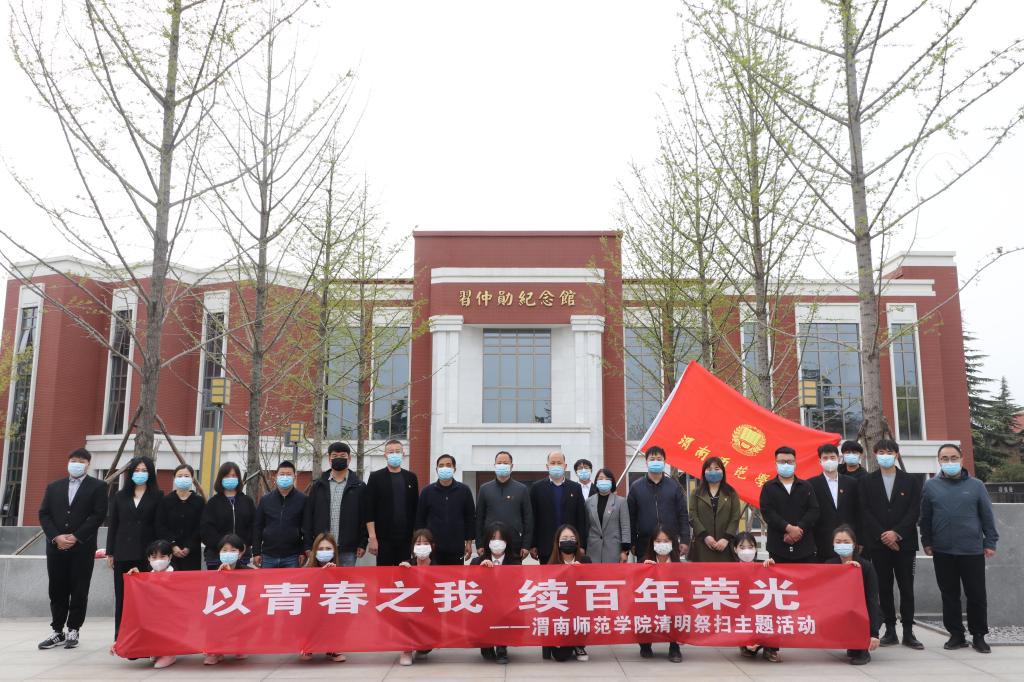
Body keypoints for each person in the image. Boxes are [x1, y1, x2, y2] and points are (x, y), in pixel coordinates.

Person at [921, 443, 999, 654]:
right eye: (945, 458)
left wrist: (990, 542)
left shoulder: (976, 486)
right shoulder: (930, 486)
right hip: (942, 550)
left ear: (962, 459)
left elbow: (987, 515)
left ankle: (979, 635)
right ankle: (956, 635)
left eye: (953, 458)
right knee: (949, 595)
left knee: (976, 595)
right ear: (939, 461)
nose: (949, 462)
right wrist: (926, 541)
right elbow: (925, 517)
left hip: (971, 550)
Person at [37, 448, 108, 651]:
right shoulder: (54, 487)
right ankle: (57, 631)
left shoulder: (98, 487)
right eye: (74, 460)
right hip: (56, 547)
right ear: (68, 462)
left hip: (82, 548)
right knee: (57, 589)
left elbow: (98, 515)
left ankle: (73, 629)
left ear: (88, 464)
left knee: (79, 589)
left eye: (82, 461)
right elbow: (44, 514)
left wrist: (76, 536)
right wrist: (56, 537)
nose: (77, 464)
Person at [858, 438, 924, 650]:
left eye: (889, 452)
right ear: (875, 454)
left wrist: (896, 534)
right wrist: (883, 536)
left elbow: (914, 510)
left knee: (906, 588)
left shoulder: (911, 480)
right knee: (883, 588)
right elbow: (865, 511)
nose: (885, 456)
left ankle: (908, 632)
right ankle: (890, 630)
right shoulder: (867, 481)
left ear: (896, 454)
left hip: (905, 544)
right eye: (881, 452)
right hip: (878, 545)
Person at [758, 445, 819, 663]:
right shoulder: (768, 487)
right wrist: (787, 528)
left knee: (807, 595)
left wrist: (798, 529)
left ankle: (809, 636)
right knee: (776, 599)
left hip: (804, 547)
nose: (786, 465)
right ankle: (771, 646)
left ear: (795, 462)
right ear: (775, 463)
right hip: (779, 547)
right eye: (782, 461)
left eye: (790, 461)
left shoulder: (806, 486)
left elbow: (814, 511)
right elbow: (767, 512)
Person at [106, 456, 162, 644]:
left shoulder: (157, 496)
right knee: (122, 597)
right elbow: (113, 525)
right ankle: (121, 637)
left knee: (145, 598)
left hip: (147, 554)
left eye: (144, 470)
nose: (140, 474)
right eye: (137, 470)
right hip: (123, 553)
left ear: (150, 473)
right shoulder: (120, 496)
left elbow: (158, 526)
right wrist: (110, 552)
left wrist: (158, 553)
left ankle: (145, 637)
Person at [303, 442, 367, 567]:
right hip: (322, 548)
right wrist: (308, 544)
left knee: (344, 579)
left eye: (342, 456)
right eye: (334, 456)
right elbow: (309, 516)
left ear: (349, 459)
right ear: (329, 459)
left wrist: (362, 543)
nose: (338, 458)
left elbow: (364, 517)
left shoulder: (359, 486)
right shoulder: (318, 485)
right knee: (322, 579)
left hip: (348, 549)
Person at [825, 525, 882, 665]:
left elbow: (872, 600)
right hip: (838, 610)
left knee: (862, 611)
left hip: (862, 611)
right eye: (838, 542)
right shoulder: (829, 565)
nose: (842, 545)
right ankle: (851, 643)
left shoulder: (866, 566)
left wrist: (874, 633)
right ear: (833, 544)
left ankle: (862, 649)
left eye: (846, 542)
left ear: (854, 544)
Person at [627, 446, 690, 561]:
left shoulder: (674, 486)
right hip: (645, 544)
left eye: (659, 459)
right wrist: (632, 542)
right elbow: (630, 518)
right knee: (646, 572)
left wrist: (685, 539)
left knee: (671, 572)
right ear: (646, 462)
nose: (655, 461)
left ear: (664, 462)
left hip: (670, 542)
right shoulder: (636, 487)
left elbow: (683, 514)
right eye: (652, 459)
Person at [472, 522, 521, 664]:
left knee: (504, 609)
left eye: (501, 539)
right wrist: (480, 572)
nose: (497, 542)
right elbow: (470, 588)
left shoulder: (515, 563)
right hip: (484, 608)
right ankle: (486, 642)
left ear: (507, 541)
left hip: (506, 608)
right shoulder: (477, 561)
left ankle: (501, 647)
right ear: (487, 541)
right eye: (493, 538)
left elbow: (518, 590)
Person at [124, 539, 178, 669]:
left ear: (170, 557)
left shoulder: (176, 576)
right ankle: (156, 650)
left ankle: (169, 653)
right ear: (148, 558)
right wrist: (136, 577)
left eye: (162, 556)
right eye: (154, 557)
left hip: (171, 617)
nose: (158, 560)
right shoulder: (147, 576)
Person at [366, 439, 419, 566]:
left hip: (406, 539)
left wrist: (416, 538)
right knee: (384, 575)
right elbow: (369, 509)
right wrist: (372, 537)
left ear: (403, 454)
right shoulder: (376, 477)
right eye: (390, 452)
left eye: (397, 451)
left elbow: (416, 508)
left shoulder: (411, 477)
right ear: (385, 455)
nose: (394, 454)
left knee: (405, 572)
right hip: (383, 539)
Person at [415, 454, 475, 565]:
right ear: (436, 469)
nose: (444, 468)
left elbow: (470, 518)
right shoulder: (427, 492)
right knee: (432, 576)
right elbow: (420, 519)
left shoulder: (464, 490)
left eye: (448, 465)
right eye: (441, 465)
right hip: (432, 548)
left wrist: (469, 542)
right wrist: (419, 544)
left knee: (455, 575)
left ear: (454, 469)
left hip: (456, 547)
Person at [544, 525, 591, 662]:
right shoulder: (551, 563)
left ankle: (579, 644)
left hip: (579, 610)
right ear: (558, 543)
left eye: (571, 538)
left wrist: (582, 573)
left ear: (577, 542)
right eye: (564, 538)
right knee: (561, 656)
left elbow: (592, 586)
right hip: (560, 612)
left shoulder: (585, 560)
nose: (568, 541)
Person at [530, 451, 588, 563]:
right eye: (553, 463)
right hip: (546, 546)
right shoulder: (537, 488)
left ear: (565, 466)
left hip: (570, 546)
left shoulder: (575, 488)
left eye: (559, 463)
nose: (556, 465)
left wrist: (582, 545)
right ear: (547, 466)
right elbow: (533, 518)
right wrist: (533, 544)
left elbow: (581, 518)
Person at [204, 534, 251, 666]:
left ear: (240, 553)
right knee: (212, 620)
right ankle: (214, 652)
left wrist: (232, 575)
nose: (228, 553)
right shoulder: (213, 572)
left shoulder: (248, 571)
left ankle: (239, 646)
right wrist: (223, 575)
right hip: (220, 609)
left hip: (239, 609)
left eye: (233, 550)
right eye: (224, 550)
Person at [300, 533, 347, 663]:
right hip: (312, 608)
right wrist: (321, 573)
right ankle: (308, 646)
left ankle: (333, 648)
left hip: (331, 607)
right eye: (321, 549)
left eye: (328, 548)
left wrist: (333, 574)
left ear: (334, 551)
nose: (324, 551)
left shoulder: (341, 568)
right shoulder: (307, 568)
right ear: (315, 551)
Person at [476, 451, 532, 560]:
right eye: (499, 463)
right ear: (494, 465)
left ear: (512, 466)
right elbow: (479, 519)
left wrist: (526, 545)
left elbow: (528, 519)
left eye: (505, 463)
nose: (502, 465)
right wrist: (479, 544)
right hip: (490, 543)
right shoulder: (484, 489)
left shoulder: (522, 489)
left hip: (515, 544)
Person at [200, 462, 256, 570]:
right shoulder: (213, 503)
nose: (230, 478)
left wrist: (244, 545)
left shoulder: (247, 501)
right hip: (216, 556)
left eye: (234, 476)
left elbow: (254, 526)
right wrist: (223, 547)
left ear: (238, 478)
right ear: (221, 478)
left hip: (242, 555)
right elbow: (206, 530)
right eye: (227, 476)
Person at [640, 525, 684, 662]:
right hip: (651, 603)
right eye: (658, 541)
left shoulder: (679, 564)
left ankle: (674, 647)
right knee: (642, 612)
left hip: (671, 604)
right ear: (652, 543)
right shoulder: (645, 561)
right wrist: (644, 570)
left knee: (677, 612)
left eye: (666, 541)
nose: (662, 544)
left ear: (672, 542)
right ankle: (645, 644)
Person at [809, 444, 859, 561]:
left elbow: (858, 512)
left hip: (848, 542)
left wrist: (859, 540)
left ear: (839, 459)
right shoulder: (811, 484)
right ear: (820, 461)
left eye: (832, 457)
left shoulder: (851, 483)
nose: (829, 461)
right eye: (825, 458)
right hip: (822, 543)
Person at [252, 460, 307, 568]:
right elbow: (258, 527)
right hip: (268, 555)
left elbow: (306, 528)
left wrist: (303, 551)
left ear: (294, 477)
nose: (285, 477)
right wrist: (256, 552)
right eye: (282, 474)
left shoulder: (303, 500)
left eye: (289, 474)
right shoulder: (265, 500)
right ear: (276, 476)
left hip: (292, 556)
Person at [687, 456, 741, 563]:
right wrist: (705, 536)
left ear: (723, 471)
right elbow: (693, 516)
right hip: (702, 544)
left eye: (717, 469)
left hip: (725, 545)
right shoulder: (696, 493)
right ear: (704, 472)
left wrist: (726, 538)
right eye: (709, 469)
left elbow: (735, 517)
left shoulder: (731, 493)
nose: (713, 472)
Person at [397, 529, 436, 666]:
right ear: (413, 547)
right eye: (418, 544)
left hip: (429, 612)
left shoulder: (438, 568)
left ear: (432, 546)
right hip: (410, 611)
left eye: (425, 543)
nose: (421, 547)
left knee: (425, 648)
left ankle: (422, 647)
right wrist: (402, 573)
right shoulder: (407, 565)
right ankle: (406, 650)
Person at [155, 463, 204, 571]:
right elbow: (160, 525)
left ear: (192, 479)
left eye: (186, 476)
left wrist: (189, 546)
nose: (183, 479)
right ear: (174, 478)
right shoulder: (166, 501)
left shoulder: (199, 501)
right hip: (169, 552)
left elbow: (201, 526)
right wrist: (173, 545)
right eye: (179, 476)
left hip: (192, 553)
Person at [585, 468, 630, 563]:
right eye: (601, 478)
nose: (604, 481)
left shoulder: (621, 502)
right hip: (593, 550)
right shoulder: (589, 502)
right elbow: (586, 526)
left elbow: (625, 527)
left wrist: (625, 551)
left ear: (612, 482)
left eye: (607, 479)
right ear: (596, 481)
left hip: (614, 550)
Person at [733, 532, 764, 659]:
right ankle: (744, 643)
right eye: (742, 547)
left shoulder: (763, 566)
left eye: (750, 547)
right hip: (741, 615)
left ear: (756, 549)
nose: (746, 551)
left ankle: (769, 648)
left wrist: (772, 567)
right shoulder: (729, 569)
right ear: (735, 549)